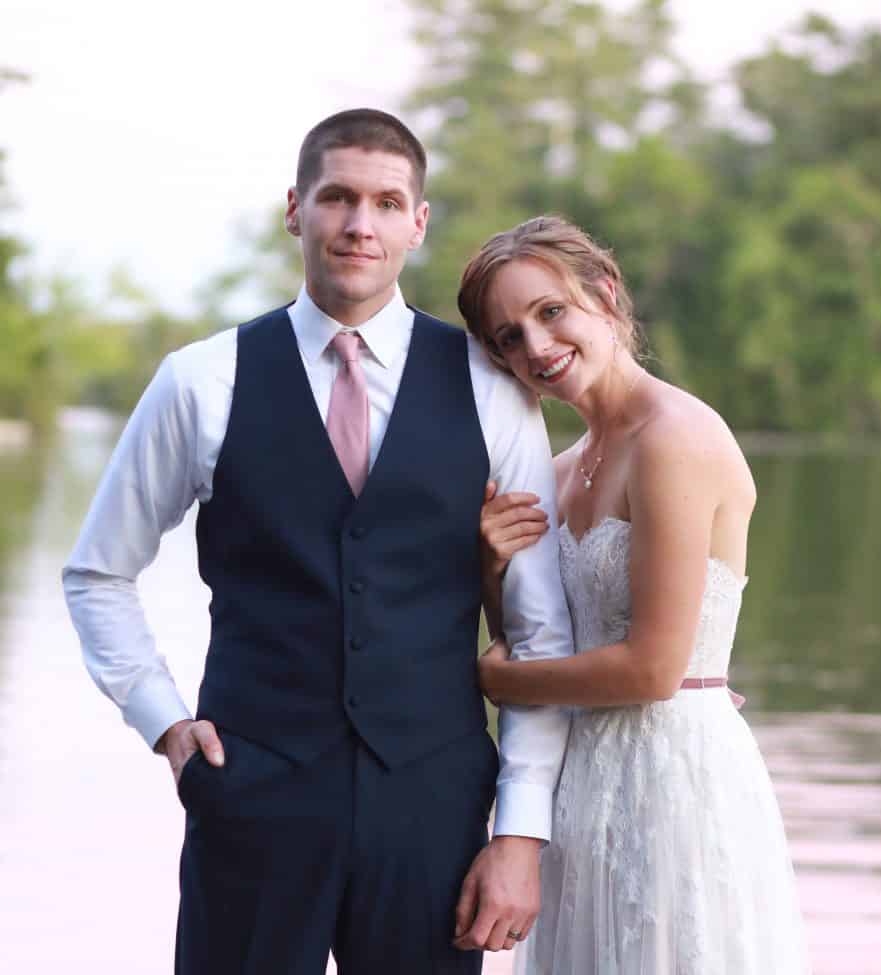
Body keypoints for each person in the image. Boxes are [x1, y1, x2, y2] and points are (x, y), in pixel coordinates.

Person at [62, 110, 575, 974]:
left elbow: (539, 630)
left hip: (433, 804)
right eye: (337, 198)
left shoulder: (494, 391)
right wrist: (165, 723)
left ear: (417, 221)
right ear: (296, 209)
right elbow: (98, 574)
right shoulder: (201, 380)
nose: (358, 224)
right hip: (250, 794)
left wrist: (521, 830)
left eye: (385, 202)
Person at [459, 216, 812, 974]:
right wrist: (489, 563)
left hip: (676, 781)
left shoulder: (674, 437)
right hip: (581, 785)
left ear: (605, 293)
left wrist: (493, 680)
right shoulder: (556, 472)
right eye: (508, 337)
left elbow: (654, 669)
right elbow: (535, 631)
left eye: (550, 311)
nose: (536, 348)